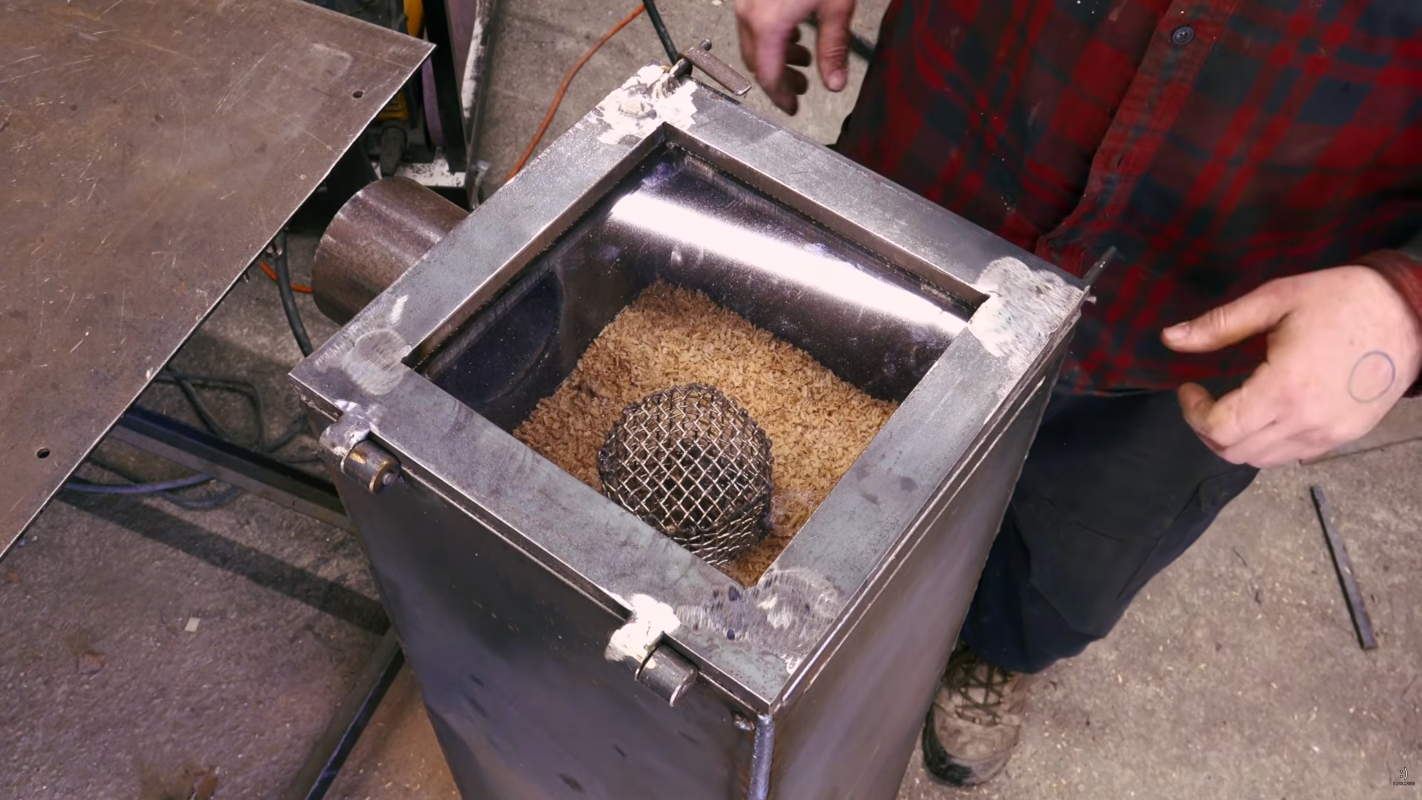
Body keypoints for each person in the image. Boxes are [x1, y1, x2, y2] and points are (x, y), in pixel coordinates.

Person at [736, 0, 1422, 788]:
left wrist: (1405, 303)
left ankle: (997, 651)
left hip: (1194, 325)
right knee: (812, 453)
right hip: (942, 162)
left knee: (1070, 560)